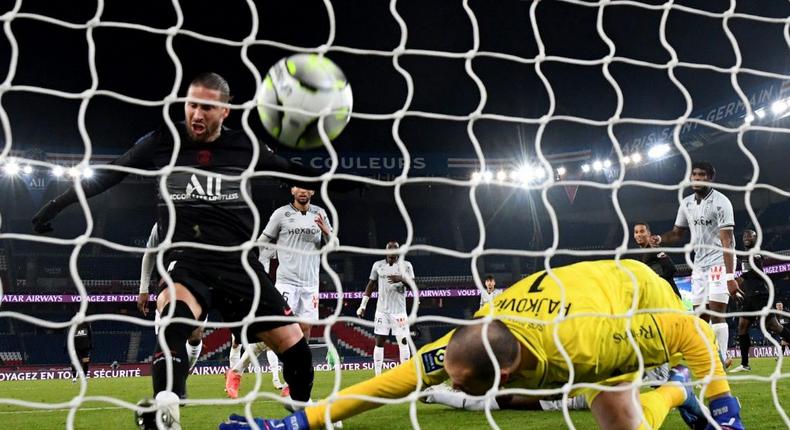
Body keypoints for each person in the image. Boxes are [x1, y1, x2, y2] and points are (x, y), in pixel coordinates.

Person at [32, 73, 318, 430]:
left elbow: (292, 171)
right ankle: (167, 414)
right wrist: (55, 206)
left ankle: (303, 417)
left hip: (236, 262)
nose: (197, 113)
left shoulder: (244, 148)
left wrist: (340, 183)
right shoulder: (163, 141)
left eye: (207, 107)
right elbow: (111, 173)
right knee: (174, 326)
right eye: (192, 104)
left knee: (297, 348)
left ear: (225, 111)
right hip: (186, 258)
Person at [220, 260, 744, 430]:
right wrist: (295, 423)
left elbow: (692, 332)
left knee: (620, 415)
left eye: (459, 383)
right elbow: (390, 384)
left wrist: (727, 406)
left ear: (504, 377)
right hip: (568, 303)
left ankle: (681, 388)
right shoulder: (473, 336)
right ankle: (677, 393)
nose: (449, 379)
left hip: (635, 298)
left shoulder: (590, 344)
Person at [226, 186, 334, 398]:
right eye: (299, 187)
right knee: (277, 331)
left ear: (312, 192)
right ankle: (236, 371)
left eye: (307, 188)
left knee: (303, 335)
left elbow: (334, 246)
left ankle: (290, 383)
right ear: (293, 190)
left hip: (310, 284)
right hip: (286, 282)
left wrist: (327, 233)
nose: (303, 191)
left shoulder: (320, 213)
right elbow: (262, 242)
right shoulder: (280, 214)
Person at [652, 161, 742, 368]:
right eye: (694, 175)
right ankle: (709, 356)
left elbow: (727, 241)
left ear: (710, 178)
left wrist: (730, 277)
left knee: (718, 311)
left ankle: (721, 360)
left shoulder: (722, 202)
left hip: (720, 260)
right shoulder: (687, 203)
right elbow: (676, 233)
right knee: (700, 318)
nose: (697, 178)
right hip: (699, 265)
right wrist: (659, 238)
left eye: (702, 175)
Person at [138, 223, 204, 373]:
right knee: (166, 339)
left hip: (197, 284)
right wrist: (143, 289)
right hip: (168, 284)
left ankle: (185, 372)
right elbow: (149, 254)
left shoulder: (203, 218)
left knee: (195, 336)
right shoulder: (161, 223)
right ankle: (170, 379)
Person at [729, 230, 790, 373]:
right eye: (744, 235)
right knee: (742, 327)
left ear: (756, 239)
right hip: (749, 296)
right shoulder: (745, 255)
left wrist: (739, 279)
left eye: (750, 235)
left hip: (760, 294)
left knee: (774, 326)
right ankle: (744, 364)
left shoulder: (755, 252)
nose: (747, 237)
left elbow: (756, 271)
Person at [356, 241, 415, 375]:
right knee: (379, 341)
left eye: (395, 249)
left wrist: (401, 278)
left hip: (399, 311)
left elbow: (414, 287)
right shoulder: (378, 265)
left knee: (403, 341)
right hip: (382, 311)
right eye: (390, 249)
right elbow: (371, 285)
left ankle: (404, 375)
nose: (392, 251)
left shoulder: (406, 266)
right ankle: (378, 375)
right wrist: (363, 305)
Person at [632, 221, 680, 298]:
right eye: (636, 232)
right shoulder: (638, 254)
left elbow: (671, 269)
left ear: (648, 233)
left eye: (642, 231)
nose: (639, 235)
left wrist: (655, 281)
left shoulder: (654, 248)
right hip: (657, 296)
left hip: (670, 296)